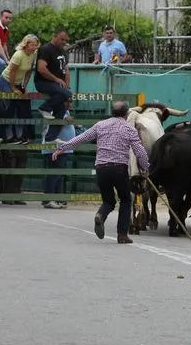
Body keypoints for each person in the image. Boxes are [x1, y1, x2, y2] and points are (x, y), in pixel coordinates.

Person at [53, 101, 149, 245]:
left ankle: (100, 215)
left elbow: (81, 138)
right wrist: (145, 168)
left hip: (101, 168)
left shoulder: (100, 125)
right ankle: (122, 235)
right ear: (126, 113)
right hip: (119, 168)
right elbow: (140, 151)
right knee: (125, 200)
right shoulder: (129, 129)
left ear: (112, 112)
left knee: (108, 200)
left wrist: (62, 148)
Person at [0, 34, 39, 143]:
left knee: (20, 106)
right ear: (26, 44)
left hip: (17, 82)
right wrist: (13, 88)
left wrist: (24, 86)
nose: (34, 47)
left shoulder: (33, 55)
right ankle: (7, 135)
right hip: (6, 80)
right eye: (32, 45)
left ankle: (20, 134)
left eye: (36, 45)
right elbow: (12, 72)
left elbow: (29, 70)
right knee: (10, 105)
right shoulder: (18, 55)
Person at [35, 29, 72, 140]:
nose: (64, 42)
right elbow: (41, 69)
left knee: (61, 109)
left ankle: (50, 138)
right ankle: (44, 108)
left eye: (66, 40)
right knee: (65, 94)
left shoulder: (63, 52)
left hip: (59, 86)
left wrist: (67, 87)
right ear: (55, 36)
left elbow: (66, 70)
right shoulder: (45, 49)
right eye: (62, 39)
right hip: (44, 83)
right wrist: (56, 79)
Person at [41, 101, 76, 209]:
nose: (71, 103)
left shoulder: (65, 111)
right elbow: (53, 122)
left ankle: (56, 199)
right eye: (69, 101)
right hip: (54, 148)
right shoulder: (55, 110)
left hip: (63, 148)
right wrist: (64, 120)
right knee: (54, 173)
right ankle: (48, 200)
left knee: (59, 175)